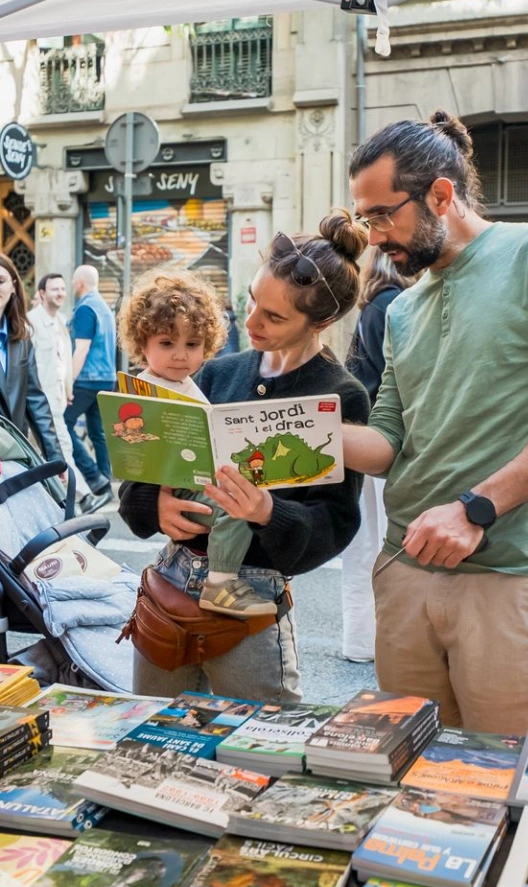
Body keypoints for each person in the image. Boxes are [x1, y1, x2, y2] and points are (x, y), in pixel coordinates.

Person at [343, 109, 528, 734]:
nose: (374, 236)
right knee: (414, 789)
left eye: (382, 215)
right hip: (405, 574)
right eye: (365, 219)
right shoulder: (404, 309)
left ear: (441, 194)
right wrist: (300, 431)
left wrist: (477, 509)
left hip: (508, 576)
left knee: (504, 788)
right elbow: (389, 441)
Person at [118, 210, 370, 702]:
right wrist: (157, 506)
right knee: (152, 733)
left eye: (273, 317)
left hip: (250, 598)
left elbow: (336, 524)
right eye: (252, 300)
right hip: (171, 582)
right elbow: (139, 484)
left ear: (323, 320)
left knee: (254, 745)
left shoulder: (340, 394)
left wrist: (266, 512)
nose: (250, 321)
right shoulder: (215, 372)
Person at [117, 270, 273, 618]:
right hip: (183, 488)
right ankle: (221, 582)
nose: (180, 356)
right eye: (166, 343)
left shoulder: (188, 382)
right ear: (142, 344)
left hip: (195, 480)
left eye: (192, 345)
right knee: (235, 507)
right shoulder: (147, 390)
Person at [341, 249, 416, 663]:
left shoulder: (372, 304)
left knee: (364, 544)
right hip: (384, 437)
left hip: (364, 432)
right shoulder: (394, 304)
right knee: (390, 542)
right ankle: (384, 644)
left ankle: (360, 643)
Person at [28, 273, 111, 514]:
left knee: (44, 450)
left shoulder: (63, 322)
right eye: (54, 289)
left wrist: (69, 389)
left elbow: (63, 363)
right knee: (61, 445)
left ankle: (55, 499)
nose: (60, 293)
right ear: (42, 293)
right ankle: (84, 495)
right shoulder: (29, 323)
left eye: (63, 289)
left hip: (59, 398)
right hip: (40, 402)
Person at [0, 253, 62, 463]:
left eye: (0, 281)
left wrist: (55, 459)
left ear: (13, 286)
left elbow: (35, 400)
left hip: (13, 454)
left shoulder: (22, 339)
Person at [63, 264, 117, 499]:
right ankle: (104, 482)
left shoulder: (85, 308)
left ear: (80, 283)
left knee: (63, 423)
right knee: (98, 431)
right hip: (106, 378)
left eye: (74, 281)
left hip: (87, 378)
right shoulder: (104, 307)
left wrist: (69, 382)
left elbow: (81, 349)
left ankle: (92, 474)